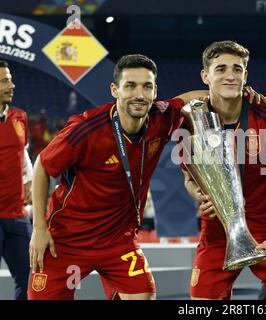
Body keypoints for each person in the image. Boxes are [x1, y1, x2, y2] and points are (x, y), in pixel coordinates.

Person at [28, 54, 211, 300]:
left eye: (147, 86)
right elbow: (42, 166)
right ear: (115, 89)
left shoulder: (162, 117)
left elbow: (190, 98)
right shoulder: (85, 129)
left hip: (118, 241)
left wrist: (240, 95)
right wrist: (39, 229)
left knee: (143, 295)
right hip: (67, 240)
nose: (139, 94)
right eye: (130, 86)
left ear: (155, 90)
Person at [182, 40, 266, 300]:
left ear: (245, 75)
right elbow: (189, 179)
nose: (230, 76)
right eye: (221, 69)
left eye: (237, 69)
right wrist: (202, 196)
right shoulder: (190, 123)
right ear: (205, 75)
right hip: (218, 231)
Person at [0, 60, 33, 300]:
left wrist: (30, 180)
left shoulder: (19, 116)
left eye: (9, 79)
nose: (12, 85)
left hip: (18, 217)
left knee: (30, 282)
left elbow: (24, 156)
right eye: (4, 81)